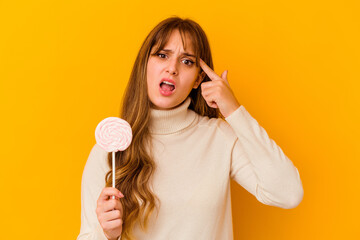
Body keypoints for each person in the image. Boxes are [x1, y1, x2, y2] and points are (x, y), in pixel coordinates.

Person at [76, 16, 304, 240]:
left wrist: (235, 111)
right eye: (162, 55)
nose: (172, 69)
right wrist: (106, 234)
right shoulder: (111, 148)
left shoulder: (220, 138)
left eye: (187, 61)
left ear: (198, 79)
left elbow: (289, 193)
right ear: (144, 65)